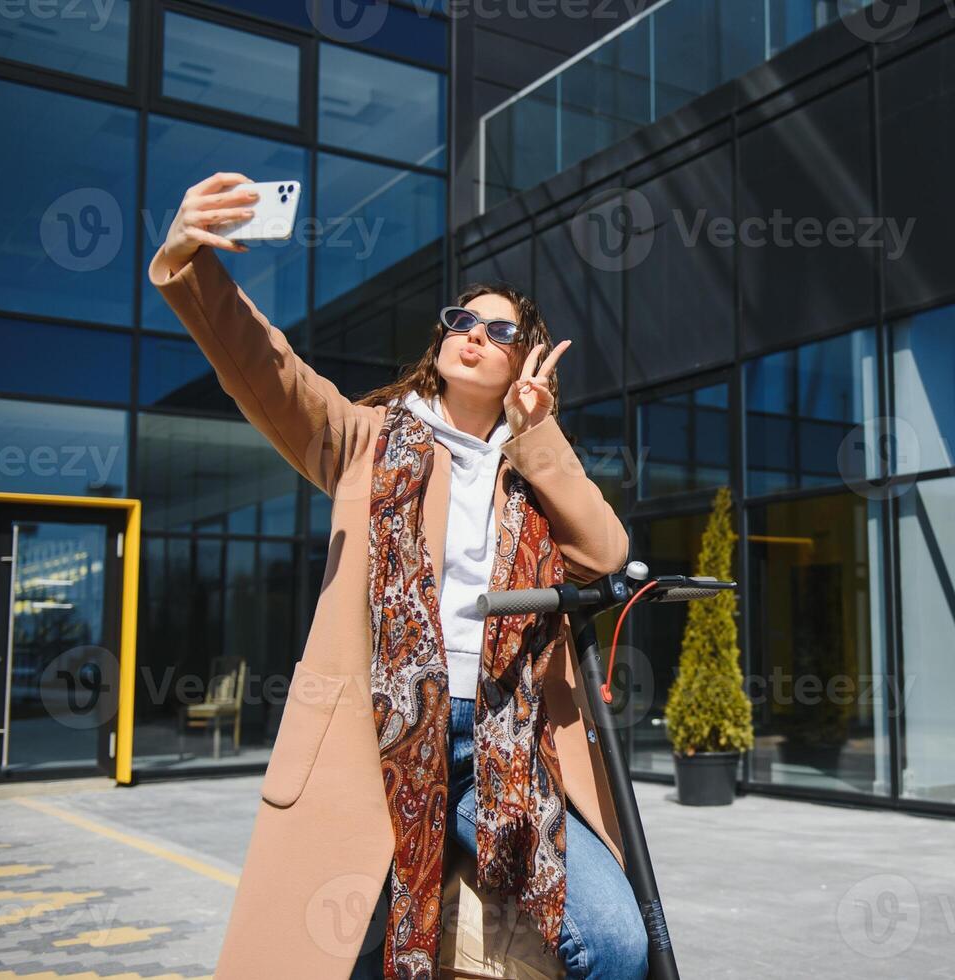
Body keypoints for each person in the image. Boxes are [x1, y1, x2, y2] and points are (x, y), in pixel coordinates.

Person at [148, 172, 648, 980]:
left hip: (503, 750)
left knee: (616, 947)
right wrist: (193, 265)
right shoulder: (365, 441)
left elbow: (605, 552)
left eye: (500, 329)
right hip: (368, 741)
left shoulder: (531, 471)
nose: (473, 334)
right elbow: (262, 366)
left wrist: (539, 434)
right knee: (348, 952)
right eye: (462, 320)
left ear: (527, 359)